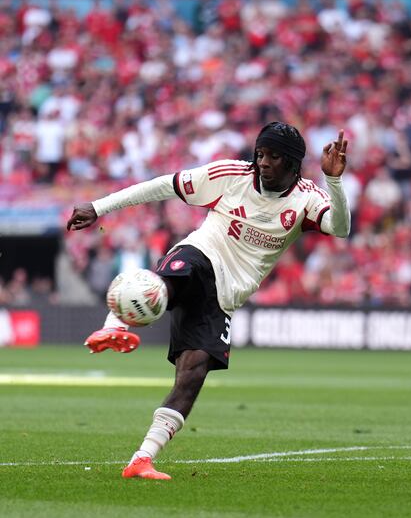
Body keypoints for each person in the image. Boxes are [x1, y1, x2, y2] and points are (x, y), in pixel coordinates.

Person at [66, 122, 351, 480]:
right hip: (202, 252)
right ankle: (115, 325)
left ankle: (142, 460)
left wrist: (334, 183)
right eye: (260, 153)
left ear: (293, 165)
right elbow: (162, 185)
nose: (263, 162)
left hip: (227, 293)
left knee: (194, 372)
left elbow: (339, 228)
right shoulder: (229, 175)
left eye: (274, 156)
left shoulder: (308, 198)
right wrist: (99, 206)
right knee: (167, 284)